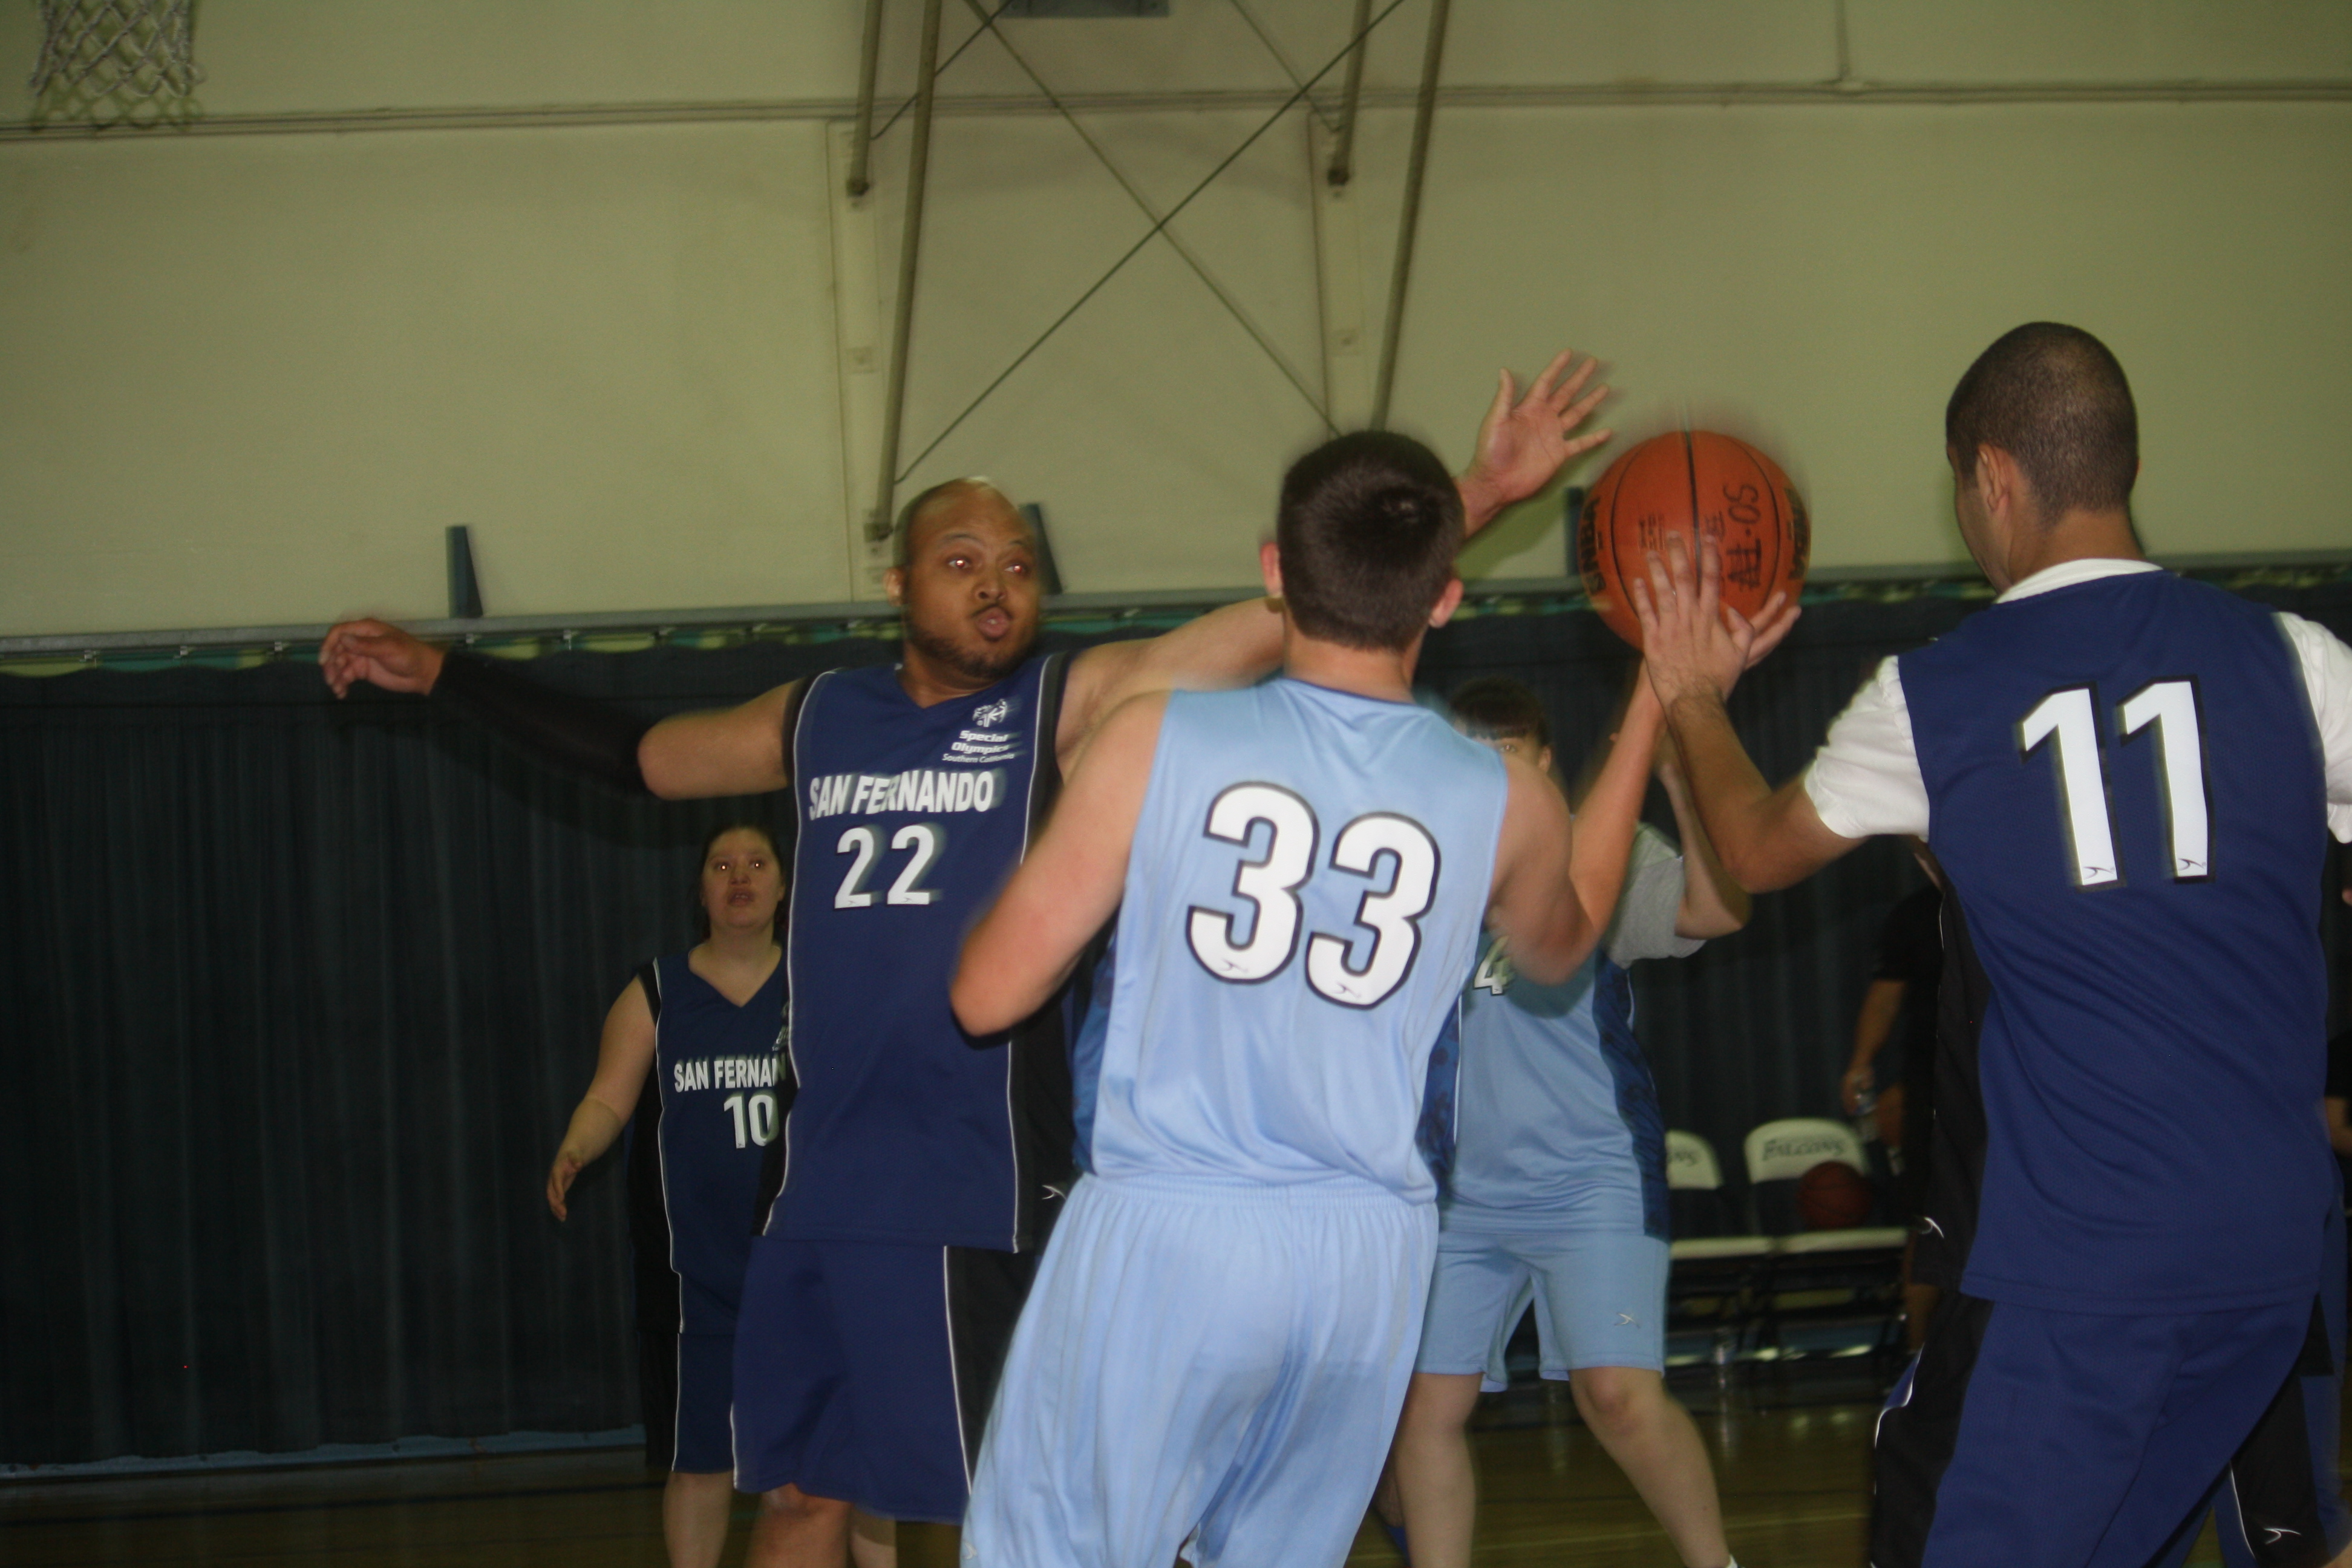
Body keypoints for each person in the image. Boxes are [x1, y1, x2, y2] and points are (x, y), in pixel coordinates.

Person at [318, 350, 1612, 1568]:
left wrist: (1475, 492)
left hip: (969, 1177)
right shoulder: (820, 714)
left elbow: (1312, 607)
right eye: (961, 561)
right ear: (898, 586)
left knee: (990, 1510)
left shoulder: (1068, 707)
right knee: (802, 1496)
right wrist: (445, 677)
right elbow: (639, 756)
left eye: (1019, 566)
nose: (996, 585)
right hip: (817, 1176)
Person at [1630, 321, 2352, 1568]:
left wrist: (1690, 696)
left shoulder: (1936, 691)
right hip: (2269, 1260)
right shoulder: (2297, 658)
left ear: (1993, 477)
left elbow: (1747, 848)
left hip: (2082, 1263)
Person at [946, 429, 1689, 1568]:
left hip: (1176, 1221)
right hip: (1366, 1255)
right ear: (1444, 598)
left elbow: (986, 995)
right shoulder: (1508, 798)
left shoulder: (1151, 738)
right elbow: (1567, 945)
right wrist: (1652, 696)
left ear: (1274, 573)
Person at [1387, 675, 1754, 1568]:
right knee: (1425, 1410)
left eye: (1510, 756)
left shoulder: (1600, 851)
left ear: (1546, 762)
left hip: (1589, 1180)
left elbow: (1716, 909)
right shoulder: (1410, 869)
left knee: (1617, 1396)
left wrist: (1679, 787)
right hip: (1453, 1199)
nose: (1494, 777)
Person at [543, 823, 814, 1568]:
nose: (739, 877)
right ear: (699, 891)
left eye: (756, 863)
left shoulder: (819, 985)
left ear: (784, 885)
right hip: (696, 1281)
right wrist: (576, 1146)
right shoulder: (656, 993)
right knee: (699, 1465)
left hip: (802, 1270)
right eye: (722, 866)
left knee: (801, 1477)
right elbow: (608, 1098)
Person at [1840, 839, 1945, 1349]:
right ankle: (1919, 1356)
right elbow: (1885, 999)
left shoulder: (2007, 905)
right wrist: (1861, 1063)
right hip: (1932, 1087)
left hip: (2010, 1085)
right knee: (1929, 1220)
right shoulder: (1915, 915)